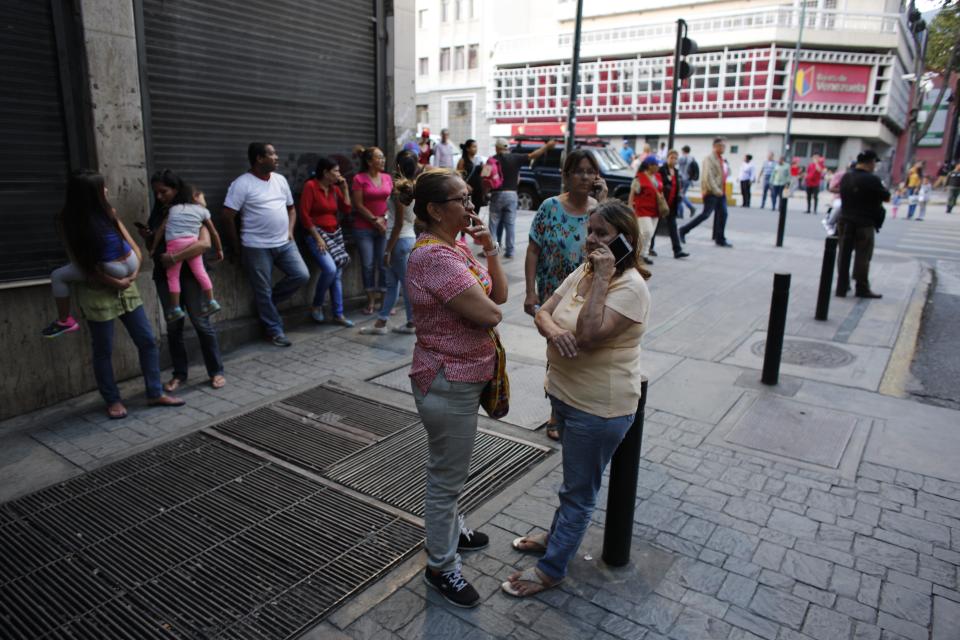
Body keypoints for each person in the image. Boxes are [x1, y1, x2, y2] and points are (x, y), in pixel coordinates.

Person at [503, 200, 651, 598]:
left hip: (598, 407)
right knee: (573, 485)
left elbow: (586, 336)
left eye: (602, 233)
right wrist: (552, 331)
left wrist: (603, 278)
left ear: (626, 239)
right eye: (590, 231)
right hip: (566, 396)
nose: (591, 240)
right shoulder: (583, 270)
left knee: (579, 492)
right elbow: (542, 311)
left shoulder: (630, 287)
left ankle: (552, 569)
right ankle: (556, 537)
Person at [406, 169, 508, 608]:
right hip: (447, 379)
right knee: (446, 477)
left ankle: (454, 531)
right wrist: (488, 296)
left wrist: (490, 248)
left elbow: (498, 296)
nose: (471, 207)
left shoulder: (457, 247)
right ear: (433, 209)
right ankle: (441, 567)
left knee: (453, 468)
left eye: (471, 197)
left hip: (463, 377)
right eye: (461, 200)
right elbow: (490, 316)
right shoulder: (434, 258)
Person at [55, 170, 184, 417]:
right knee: (103, 349)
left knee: (147, 340)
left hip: (127, 287)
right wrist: (114, 282)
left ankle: (155, 392)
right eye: (101, 188)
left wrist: (134, 272)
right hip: (98, 292)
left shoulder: (109, 213)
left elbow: (132, 244)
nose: (106, 190)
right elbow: (83, 264)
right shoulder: (68, 222)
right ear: (89, 194)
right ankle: (112, 400)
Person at [524, 150, 608, 441]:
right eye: (579, 171)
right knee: (558, 354)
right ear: (566, 175)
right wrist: (529, 292)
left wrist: (605, 200)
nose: (585, 177)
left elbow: (616, 242)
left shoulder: (599, 210)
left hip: (588, 294)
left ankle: (574, 406)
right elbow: (533, 249)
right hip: (554, 296)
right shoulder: (549, 207)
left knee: (582, 351)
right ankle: (556, 412)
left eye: (590, 171)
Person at [145, 170, 226, 392]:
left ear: (176, 189)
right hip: (165, 276)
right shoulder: (158, 213)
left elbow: (204, 244)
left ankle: (216, 371)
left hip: (190, 275)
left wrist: (173, 257)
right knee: (174, 327)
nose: (160, 197)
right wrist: (149, 239)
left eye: (164, 192)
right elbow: (153, 248)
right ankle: (179, 374)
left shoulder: (192, 208)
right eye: (156, 193)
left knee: (201, 323)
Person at [222, 142, 309, 347]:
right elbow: (227, 216)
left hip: (285, 243)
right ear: (259, 158)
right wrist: (236, 246)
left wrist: (289, 230)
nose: (277, 157)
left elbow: (292, 209)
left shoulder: (279, 180)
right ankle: (274, 330)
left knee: (301, 275)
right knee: (262, 290)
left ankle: (266, 304)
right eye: (272, 154)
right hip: (256, 246)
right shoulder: (242, 183)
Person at [361, 151, 419, 335]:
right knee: (393, 284)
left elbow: (399, 223)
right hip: (407, 239)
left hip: (399, 242)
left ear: (398, 167)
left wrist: (387, 250)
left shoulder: (400, 191)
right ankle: (381, 322)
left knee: (404, 284)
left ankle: (411, 323)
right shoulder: (414, 187)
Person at [150, 181, 223, 322]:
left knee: (173, 277)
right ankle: (211, 301)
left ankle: (176, 309)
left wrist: (153, 247)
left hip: (174, 244)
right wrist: (219, 249)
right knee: (200, 272)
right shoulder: (203, 212)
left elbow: (161, 230)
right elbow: (213, 233)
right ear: (195, 197)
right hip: (192, 244)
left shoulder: (173, 209)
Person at [299, 156, 356, 327]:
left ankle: (338, 314)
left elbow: (346, 209)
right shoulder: (311, 187)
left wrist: (345, 188)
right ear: (325, 172)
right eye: (336, 171)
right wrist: (317, 238)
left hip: (334, 234)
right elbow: (304, 215)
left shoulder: (333, 189)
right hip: (316, 235)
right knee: (330, 270)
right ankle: (317, 305)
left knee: (337, 275)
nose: (339, 174)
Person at [486, 137, 556, 259]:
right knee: (510, 224)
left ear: (497, 148)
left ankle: (493, 251)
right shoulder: (516, 158)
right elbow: (533, 155)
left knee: (493, 225)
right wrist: (547, 146)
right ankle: (510, 251)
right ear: (507, 147)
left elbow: (485, 177)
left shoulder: (491, 160)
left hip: (497, 194)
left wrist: (485, 193)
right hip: (512, 194)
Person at [836, 149, 889, 299]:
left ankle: (843, 283)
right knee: (863, 256)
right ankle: (861, 287)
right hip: (864, 223)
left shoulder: (847, 176)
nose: (875, 166)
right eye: (874, 163)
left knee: (843, 253)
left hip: (845, 220)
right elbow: (886, 197)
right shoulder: (872, 180)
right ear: (870, 162)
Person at [352, 146, 394, 315]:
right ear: (369, 161)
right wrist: (374, 220)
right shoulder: (359, 178)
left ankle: (385, 301)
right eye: (379, 157)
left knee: (384, 264)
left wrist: (383, 219)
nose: (383, 160)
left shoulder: (387, 178)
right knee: (368, 265)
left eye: (383, 157)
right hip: (364, 229)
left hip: (384, 227)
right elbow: (358, 204)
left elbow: (392, 202)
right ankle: (370, 300)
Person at [680, 137, 732, 247]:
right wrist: (716, 190)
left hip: (721, 192)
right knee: (705, 214)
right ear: (715, 146)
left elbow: (726, 173)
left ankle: (720, 238)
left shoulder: (721, 159)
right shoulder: (709, 159)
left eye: (724, 146)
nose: (723, 148)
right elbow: (708, 177)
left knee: (723, 214)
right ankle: (684, 229)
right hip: (712, 192)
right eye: (721, 146)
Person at [651, 149, 690, 259]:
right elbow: (658, 184)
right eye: (671, 157)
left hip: (672, 204)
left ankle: (677, 250)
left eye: (675, 158)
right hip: (662, 203)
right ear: (667, 158)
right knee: (654, 226)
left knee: (673, 227)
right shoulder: (661, 170)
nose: (673, 160)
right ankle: (650, 248)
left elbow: (677, 185)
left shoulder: (676, 172)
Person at [631, 158, 662, 264]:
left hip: (655, 209)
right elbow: (632, 192)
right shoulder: (640, 177)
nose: (658, 167)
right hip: (642, 209)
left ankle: (644, 254)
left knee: (650, 233)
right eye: (656, 165)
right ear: (649, 166)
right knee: (647, 231)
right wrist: (630, 206)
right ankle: (638, 254)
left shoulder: (657, 176)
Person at [456, 139, 486, 213]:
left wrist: (485, 168)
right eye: (474, 147)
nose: (476, 149)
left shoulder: (479, 159)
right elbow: (458, 176)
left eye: (476, 147)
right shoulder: (462, 160)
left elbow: (484, 175)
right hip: (467, 191)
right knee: (466, 212)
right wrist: (466, 185)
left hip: (478, 190)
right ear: (467, 149)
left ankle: (475, 225)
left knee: (476, 213)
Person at [677, 146, 697, 218]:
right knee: (681, 195)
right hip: (688, 179)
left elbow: (676, 162)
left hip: (682, 179)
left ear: (683, 150)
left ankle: (690, 207)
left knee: (680, 195)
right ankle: (680, 213)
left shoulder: (683, 158)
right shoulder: (692, 158)